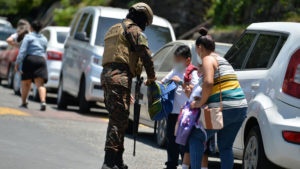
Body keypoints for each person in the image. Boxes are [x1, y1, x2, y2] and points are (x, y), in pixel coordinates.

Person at [100, 3, 156, 169]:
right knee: (118, 121)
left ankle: (117, 161)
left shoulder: (114, 29)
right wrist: (152, 77)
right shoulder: (133, 30)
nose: (144, 27)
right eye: (145, 23)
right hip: (120, 78)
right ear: (142, 18)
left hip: (108, 77)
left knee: (121, 119)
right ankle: (109, 163)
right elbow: (146, 55)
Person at [189, 27, 248, 169]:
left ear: (200, 47)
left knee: (196, 137)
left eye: (197, 50)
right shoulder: (222, 60)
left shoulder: (208, 59)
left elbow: (209, 82)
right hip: (240, 108)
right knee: (225, 147)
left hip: (225, 108)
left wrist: (200, 103)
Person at [161, 45, 199, 169]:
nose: (177, 63)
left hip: (186, 114)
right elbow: (164, 81)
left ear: (187, 60)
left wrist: (181, 82)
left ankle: (185, 165)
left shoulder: (193, 73)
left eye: (179, 61)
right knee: (171, 140)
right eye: (175, 61)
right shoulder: (175, 70)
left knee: (184, 143)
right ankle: (171, 164)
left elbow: (194, 91)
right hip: (173, 112)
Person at [14, 20, 48, 111]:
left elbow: (22, 51)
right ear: (40, 29)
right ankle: (43, 102)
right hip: (41, 59)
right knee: (40, 83)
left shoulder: (28, 37)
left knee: (26, 82)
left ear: (31, 28)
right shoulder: (44, 39)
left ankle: (24, 103)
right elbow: (45, 50)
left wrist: (17, 63)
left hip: (30, 59)